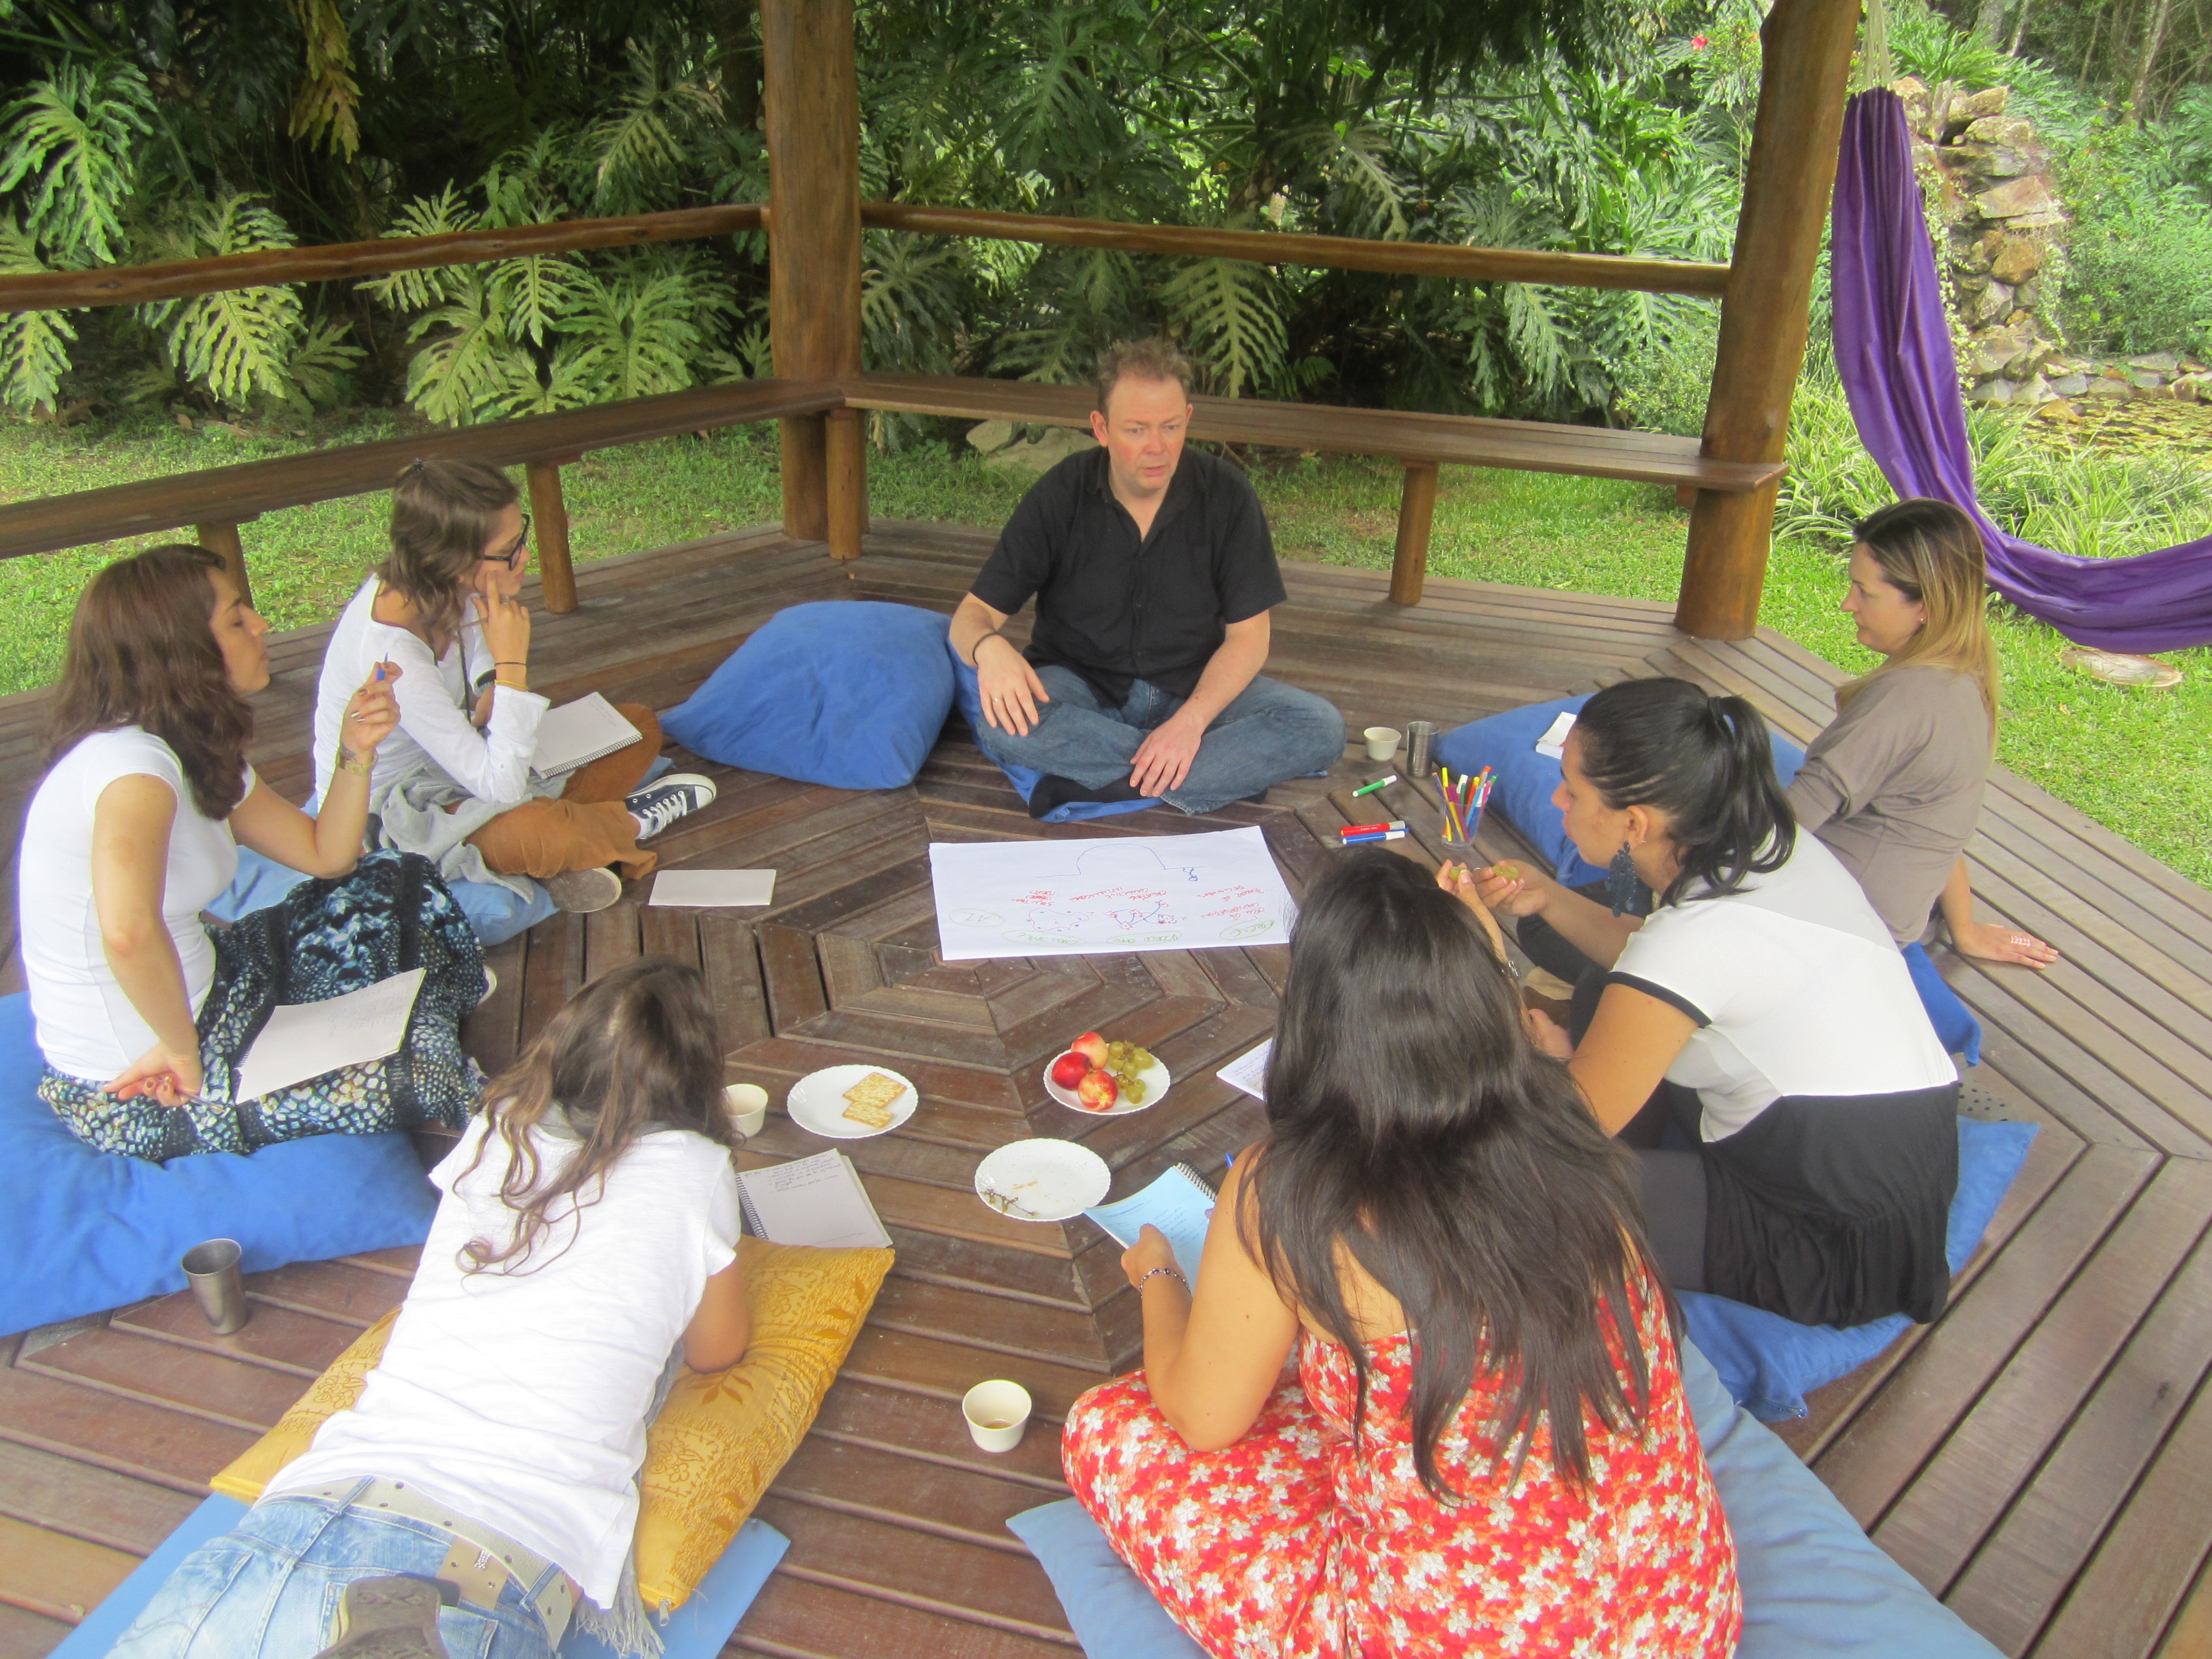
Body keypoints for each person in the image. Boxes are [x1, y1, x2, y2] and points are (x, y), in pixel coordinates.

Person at [1062, 850, 1741, 1658]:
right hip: (1681, 1619)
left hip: (1449, 1638)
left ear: (1313, 1015)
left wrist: (1159, 1277)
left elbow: (1203, 1421)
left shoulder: (1291, 1188)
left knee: (1108, 1429)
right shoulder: (1569, 1120)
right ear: (1484, 996)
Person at [107, 957, 752, 1659]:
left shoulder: (497, 1127)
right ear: (695, 1077)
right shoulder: (695, 1168)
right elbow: (717, 1351)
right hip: (483, 1555)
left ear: (558, 1055)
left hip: (293, 1520)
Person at [1446, 677, 1960, 1328]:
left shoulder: (1694, 940)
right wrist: (1546, 897)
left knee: (1511, 1186)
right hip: (1892, 1164)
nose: (1557, 799)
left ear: (1635, 823)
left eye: (1571, 791)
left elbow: (1566, 1131)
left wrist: (1499, 975)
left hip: (1835, 1243)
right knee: (1606, 989)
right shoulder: (1767, 842)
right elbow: (1659, 961)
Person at [18, 544, 486, 1161]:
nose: (262, 625)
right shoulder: (133, 769)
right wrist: (182, 1052)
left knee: (396, 879)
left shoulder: (190, 743)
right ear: (181, 650)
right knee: (421, 1071)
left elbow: (327, 855)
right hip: (145, 1078)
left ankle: (408, 1007)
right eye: (237, 620)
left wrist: (356, 750)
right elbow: (127, 933)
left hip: (216, 989)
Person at [947, 338, 1344, 818]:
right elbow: (972, 615)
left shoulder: (1227, 495)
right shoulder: (1061, 493)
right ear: (1101, 428)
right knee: (1002, 727)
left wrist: (1191, 722)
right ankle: (1211, 773)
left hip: (1194, 688)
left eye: (1171, 427)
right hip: (1082, 689)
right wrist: (990, 649)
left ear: (1188, 420)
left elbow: (1250, 638)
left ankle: (1108, 783)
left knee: (1321, 727)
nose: (1157, 447)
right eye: (1136, 430)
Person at [312, 458, 716, 916]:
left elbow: (472, 639)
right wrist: (511, 667)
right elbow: (500, 789)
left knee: (636, 726)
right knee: (542, 833)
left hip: (460, 761)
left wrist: (489, 681)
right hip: (398, 810)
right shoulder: (393, 657)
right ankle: (627, 823)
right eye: (508, 550)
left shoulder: (435, 585)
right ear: (451, 560)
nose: (524, 557)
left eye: (519, 538)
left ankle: (574, 844)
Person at [1789, 496, 2056, 968]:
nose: (1848, 604)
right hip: (1873, 911)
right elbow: (1937, 821)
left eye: (1865, 592)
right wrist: (1965, 929)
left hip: (1837, 927)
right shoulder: (1963, 676)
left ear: (1926, 606)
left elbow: (1778, 830)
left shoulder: (1902, 701)